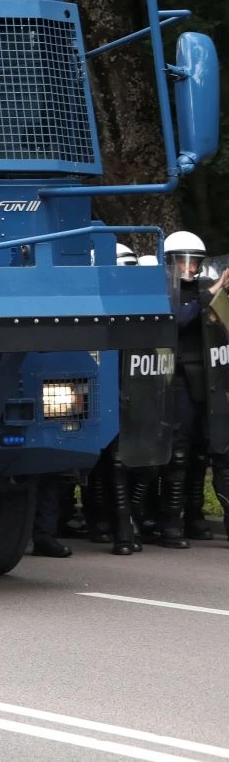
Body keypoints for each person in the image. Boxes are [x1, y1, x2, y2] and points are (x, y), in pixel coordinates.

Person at [161, 231, 229, 547]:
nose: (190, 268)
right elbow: (178, 319)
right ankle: (171, 523)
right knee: (178, 454)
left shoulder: (204, 290)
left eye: (195, 262)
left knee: (205, 452)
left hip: (209, 381)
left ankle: (195, 516)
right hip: (177, 382)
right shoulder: (164, 292)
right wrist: (213, 292)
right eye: (183, 261)